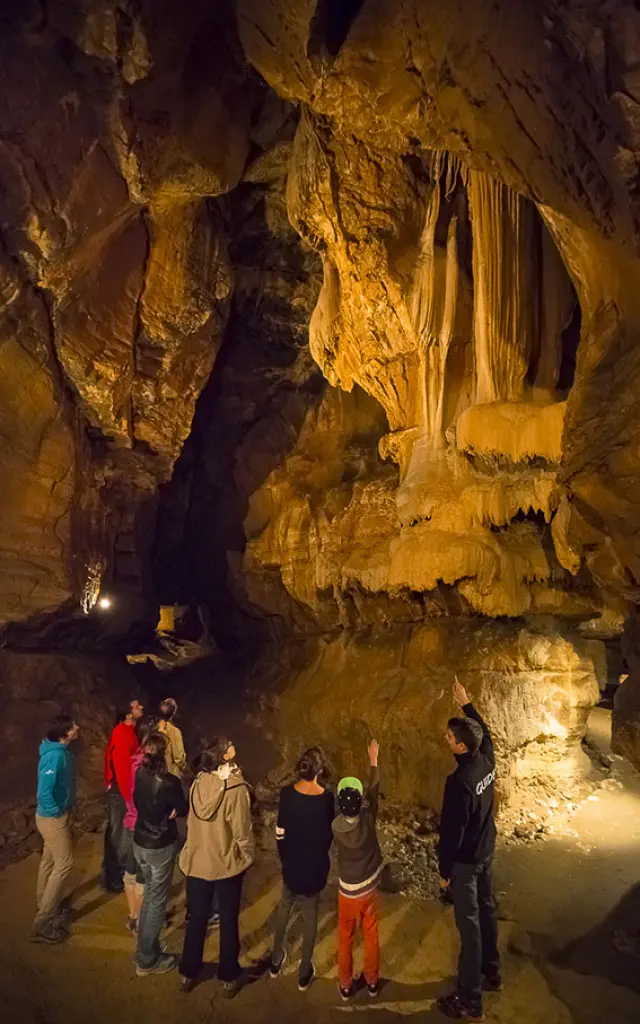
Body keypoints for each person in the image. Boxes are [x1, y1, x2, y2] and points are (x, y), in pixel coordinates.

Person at [436, 678, 500, 1023]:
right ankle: (493, 972)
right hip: (487, 850)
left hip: (466, 862)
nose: (446, 739)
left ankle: (470, 1001)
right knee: (488, 912)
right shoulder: (486, 760)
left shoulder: (458, 783)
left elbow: (451, 834)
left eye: (450, 737)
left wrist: (445, 873)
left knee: (471, 927)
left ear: (460, 747)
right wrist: (467, 704)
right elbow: (486, 733)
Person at [178, 736, 255, 998]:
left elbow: (191, 821)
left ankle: (188, 972)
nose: (234, 745)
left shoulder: (198, 783)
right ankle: (229, 976)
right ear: (225, 757)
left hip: (198, 860)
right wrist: (247, 855)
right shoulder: (236, 788)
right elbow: (242, 830)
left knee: (197, 918)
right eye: (230, 745)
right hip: (226, 864)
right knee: (228, 919)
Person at [269, 747, 334, 991]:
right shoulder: (326, 799)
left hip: (292, 864)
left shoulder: (287, 794)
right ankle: (304, 970)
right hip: (314, 866)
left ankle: (276, 960)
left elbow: (280, 831)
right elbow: (327, 835)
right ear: (319, 770)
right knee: (310, 916)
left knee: (285, 906)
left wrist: (285, 857)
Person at [133, 732, 188, 976]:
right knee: (156, 902)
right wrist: (173, 810)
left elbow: (137, 801)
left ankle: (146, 948)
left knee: (149, 898)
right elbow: (183, 808)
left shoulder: (139, 774)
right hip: (159, 845)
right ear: (164, 752)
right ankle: (147, 960)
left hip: (140, 841)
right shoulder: (168, 782)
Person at [332, 739, 383, 1002]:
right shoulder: (368, 819)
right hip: (370, 886)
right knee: (371, 934)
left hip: (348, 891)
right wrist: (373, 760)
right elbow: (373, 791)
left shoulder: (336, 828)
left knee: (345, 938)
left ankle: (345, 985)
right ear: (360, 803)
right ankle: (372, 981)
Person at [31, 714, 80, 944]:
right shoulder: (54, 757)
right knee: (65, 862)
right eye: (72, 727)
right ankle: (43, 921)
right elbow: (44, 792)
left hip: (54, 815)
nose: (77, 728)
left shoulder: (62, 752)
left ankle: (45, 903)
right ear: (64, 734)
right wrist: (57, 811)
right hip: (52, 819)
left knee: (49, 861)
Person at [122, 715, 160, 934]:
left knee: (131, 871)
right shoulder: (144, 766)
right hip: (142, 825)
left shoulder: (133, 760)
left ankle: (134, 915)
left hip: (130, 821)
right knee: (144, 877)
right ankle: (141, 921)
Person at [103, 697, 144, 892]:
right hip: (120, 790)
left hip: (122, 788)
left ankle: (115, 873)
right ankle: (114, 876)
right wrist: (130, 797)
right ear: (129, 714)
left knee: (117, 831)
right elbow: (121, 766)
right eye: (137, 706)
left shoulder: (129, 732)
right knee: (117, 833)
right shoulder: (121, 733)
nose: (141, 708)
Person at [157, 698, 187, 778]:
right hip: (169, 775)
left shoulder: (152, 727)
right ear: (174, 713)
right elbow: (179, 757)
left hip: (153, 773)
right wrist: (184, 768)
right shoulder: (174, 732)